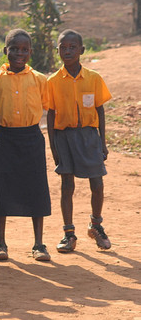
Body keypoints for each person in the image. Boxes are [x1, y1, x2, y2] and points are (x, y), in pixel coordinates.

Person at [0, 29, 51, 262]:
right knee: (1, 189)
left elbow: (45, 106)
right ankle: (0, 243)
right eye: (14, 49)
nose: (19, 54)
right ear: (5, 51)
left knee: (36, 189)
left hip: (31, 138)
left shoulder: (40, 80)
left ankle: (39, 244)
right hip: (6, 139)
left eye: (24, 50)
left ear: (30, 52)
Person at [47, 29, 112, 252]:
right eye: (63, 47)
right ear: (57, 51)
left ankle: (96, 226)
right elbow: (50, 113)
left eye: (72, 47)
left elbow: (100, 110)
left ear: (81, 50)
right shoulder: (53, 81)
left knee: (97, 183)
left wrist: (102, 142)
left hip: (89, 136)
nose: (67, 51)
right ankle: (69, 234)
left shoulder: (94, 78)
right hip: (64, 137)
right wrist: (53, 145)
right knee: (67, 185)